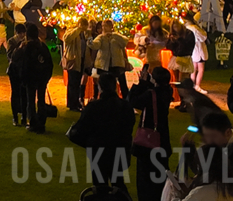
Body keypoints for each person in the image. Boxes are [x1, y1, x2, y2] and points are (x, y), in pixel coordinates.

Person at [70, 73, 135, 194]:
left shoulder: (94, 107)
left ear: (100, 87)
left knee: (100, 186)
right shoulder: (125, 106)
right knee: (118, 183)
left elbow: (80, 130)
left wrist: (88, 143)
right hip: (120, 150)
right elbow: (130, 126)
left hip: (99, 152)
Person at [128, 66, 173, 201]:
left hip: (149, 141)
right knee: (160, 176)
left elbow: (132, 100)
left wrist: (142, 82)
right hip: (162, 138)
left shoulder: (151, 94)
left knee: (145, 179)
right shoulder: (167, 91)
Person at [14, 22, 53, 133]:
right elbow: (49, 63)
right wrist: (46, 77)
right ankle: (41, 122)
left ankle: (33, 123)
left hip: (30, 78)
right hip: (41, 78)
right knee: (41, 100)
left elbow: (17, 59)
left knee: (30, 101)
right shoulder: (42, 46)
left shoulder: (26, 46)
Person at [89, 19, 130, 98]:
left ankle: (126, 100)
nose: (104, 28)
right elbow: (94, 45)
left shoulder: (116, 36)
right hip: (104, 65)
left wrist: (113, 36)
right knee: (103, 83)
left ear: (111, 27)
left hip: (117, 64)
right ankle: (102, 98)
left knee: (122, 82)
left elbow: (125, 42)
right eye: (103, 26)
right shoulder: (101, 37)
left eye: (106, 26)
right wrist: (89, 39)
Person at [62, 17, 90, 112]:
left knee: (77, 82)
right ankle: (72, 104)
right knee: (73, 82)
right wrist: (78, 29)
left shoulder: (84, 34)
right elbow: (67, 38)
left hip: (81, 60)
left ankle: (75, 102)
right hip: (73, 60)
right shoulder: (72, 31)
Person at [6, 23, 28, 126]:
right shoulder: (11, 41)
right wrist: (19, 48)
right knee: (15, 93)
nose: (22, 35)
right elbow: (11, 56)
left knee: (24, 94)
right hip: (14, 70)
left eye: (24, 33)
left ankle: (24, 116)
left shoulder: (27, 41)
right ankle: (15, 117)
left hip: (23, 70)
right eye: (21, 33)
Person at [184, 13, 209, 94]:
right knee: (200, 69)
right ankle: (197, 86)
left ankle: (192, 85)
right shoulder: (195, 28)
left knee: (193, 69)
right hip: (199, 49)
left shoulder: (186, 28)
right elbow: (203, 37)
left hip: (192, 50)